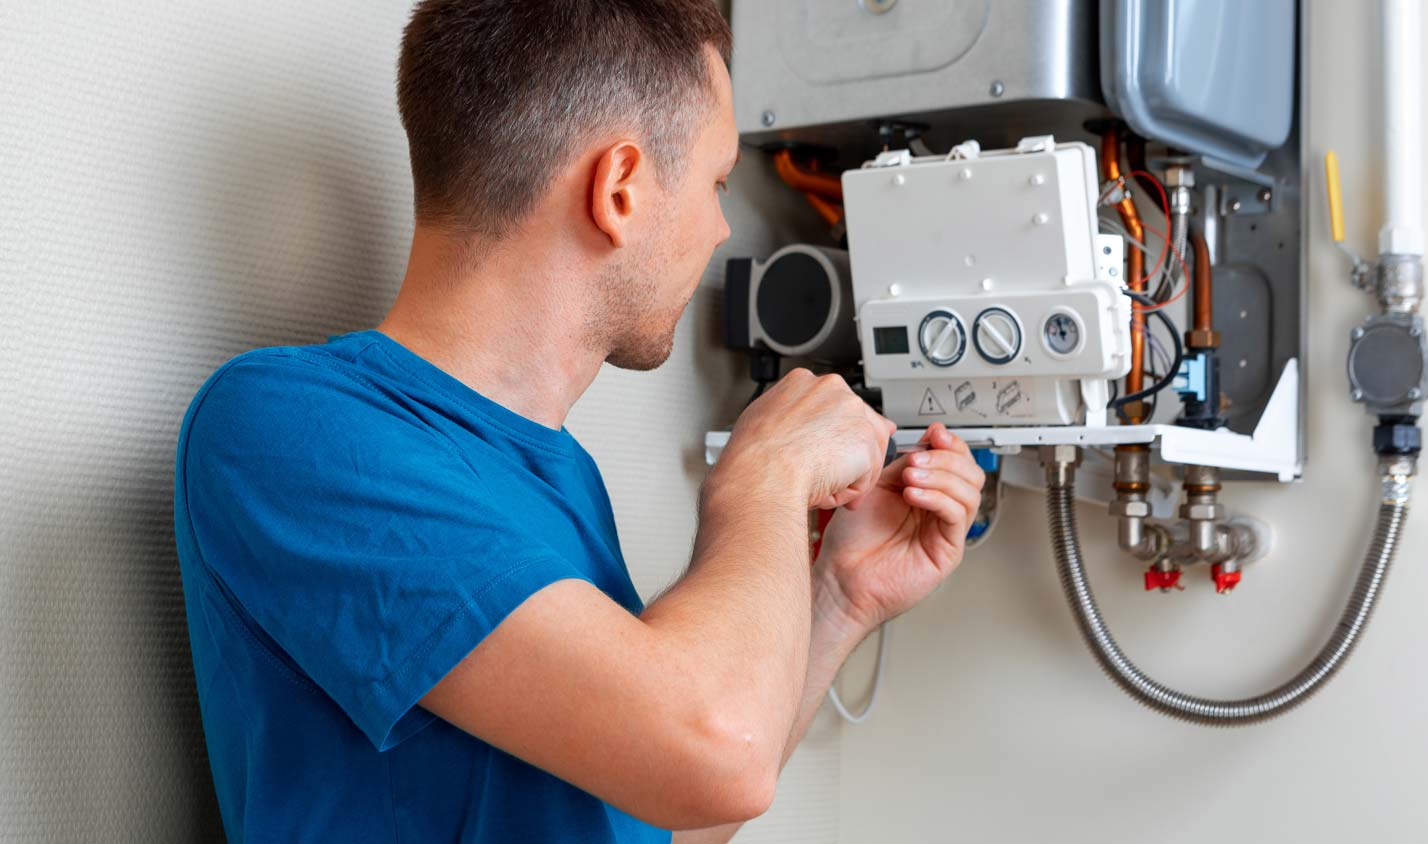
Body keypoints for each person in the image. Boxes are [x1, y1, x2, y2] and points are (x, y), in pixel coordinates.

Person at [172, 1, 985, 841]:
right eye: (714, 184)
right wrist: (764, 472)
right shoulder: (289, 429)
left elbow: (674, 808)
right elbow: (715, 757)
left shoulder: (559, 475)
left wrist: (839, 595)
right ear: (620, 190)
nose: (720, 229)